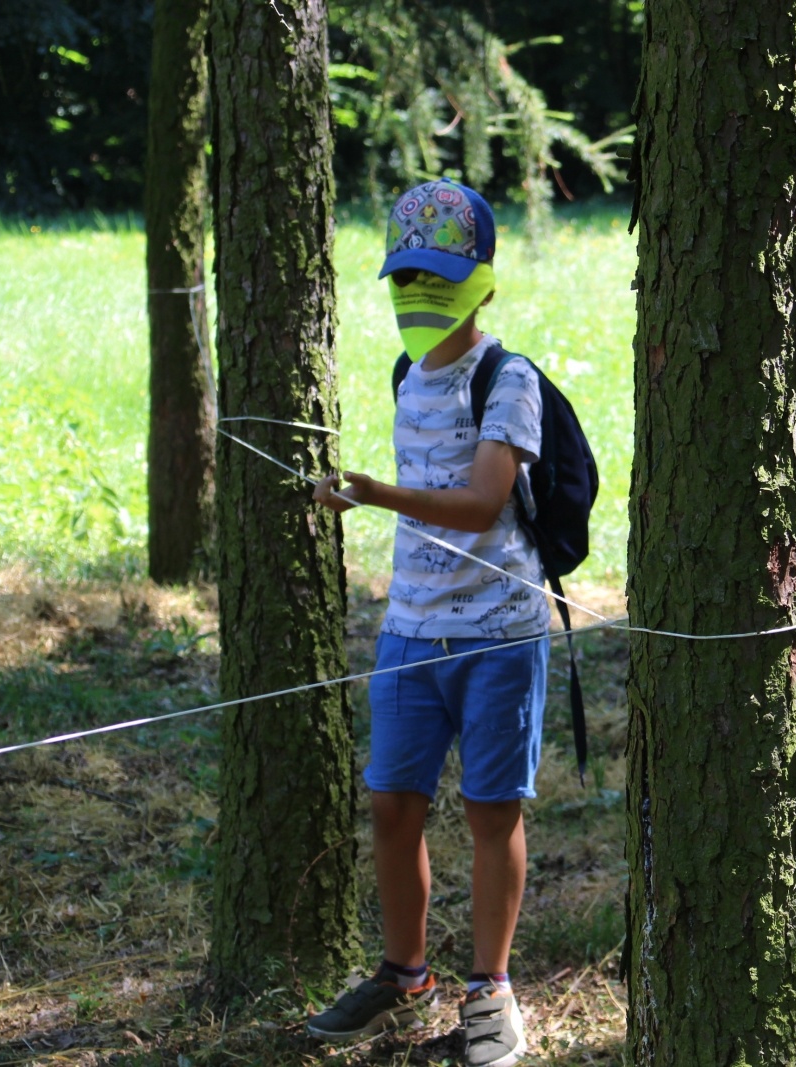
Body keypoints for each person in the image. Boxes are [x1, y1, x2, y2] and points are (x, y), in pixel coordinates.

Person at [306, 178, 545, 1067]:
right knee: (392, 803)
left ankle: (491, 994)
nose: (419, 298)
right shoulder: (409, 373)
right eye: (405, 281)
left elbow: (483, 502)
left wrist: (372, 494)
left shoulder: (507, 377)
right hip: (411, 630)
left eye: (437, 280)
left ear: (480, 281)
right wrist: (373, 494)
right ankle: (405, 972)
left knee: (491, 811)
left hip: (498, 636)